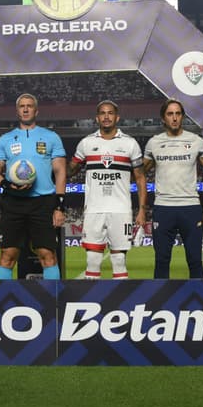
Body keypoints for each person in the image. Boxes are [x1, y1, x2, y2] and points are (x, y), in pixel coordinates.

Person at [0, 93, 66, 280]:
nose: (25, 109)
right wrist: (7, 185)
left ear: (36, 110)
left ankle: (52, 303)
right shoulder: (5, 139)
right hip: (13, 203)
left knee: (48, 256)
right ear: (17, 111)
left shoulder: (51, 137)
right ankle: (1, 303)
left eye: (29, 106)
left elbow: (60, 172)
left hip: (43, 203)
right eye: (22, 106)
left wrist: (59, 206)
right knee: (7, 256)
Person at [68, 100, 147, 279]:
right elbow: (69, 170)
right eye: (102, 113)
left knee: (119, 261)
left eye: (110, 113)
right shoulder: (86, 143)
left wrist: (142, 211)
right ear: (97, 118)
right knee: (92, 260)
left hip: (121, 210)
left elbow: (141, 178)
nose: (106, 116)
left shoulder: (130, 144)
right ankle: (93, 300)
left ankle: (120, 304)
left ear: (117, 117)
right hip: (94, 210)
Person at [143, 98, 203, 278]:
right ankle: (160, 302)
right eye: (170, 114)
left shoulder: (196, 141)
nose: (174, 118)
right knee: (162, 260)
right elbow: (140, 172)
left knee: (195, 260)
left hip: (190, 207)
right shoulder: (154, 143)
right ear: (163, 118)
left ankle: (201, 304)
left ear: (182, 117)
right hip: (163, 208)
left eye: (178, 114)